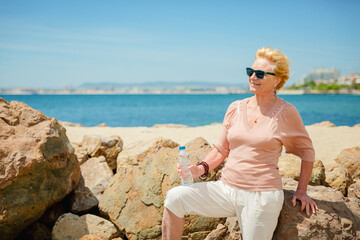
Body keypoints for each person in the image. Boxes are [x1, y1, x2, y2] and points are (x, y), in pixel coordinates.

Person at [162, 47, 318, 240]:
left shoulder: (287, 112)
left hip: (262, 197)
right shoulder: (235, 108)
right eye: (250, 72)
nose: (253, 77)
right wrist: (199, 170)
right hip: (225, 189)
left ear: (277, 79)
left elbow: (307, 152)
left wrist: (302, 191)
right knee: (175, 198)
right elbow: (221, 149)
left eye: (260, 74)